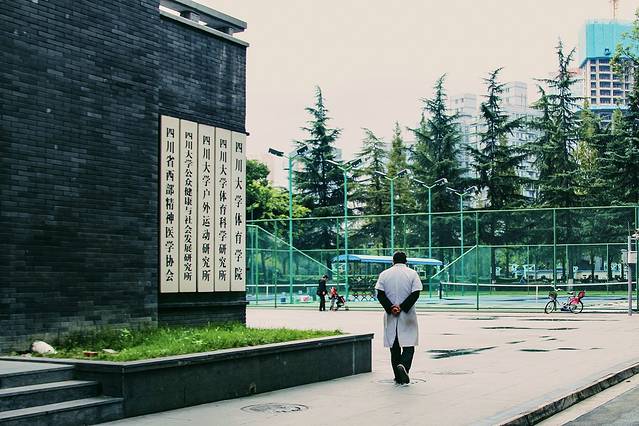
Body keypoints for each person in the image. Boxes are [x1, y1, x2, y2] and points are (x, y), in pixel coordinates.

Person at [375, 251, 422, 385]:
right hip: (407, 315)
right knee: (409, 344)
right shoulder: (412, 274)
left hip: (391, 315)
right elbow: (416, 293)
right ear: (406, 261)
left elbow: (380, 294)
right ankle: (404, 366)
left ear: (393, 261)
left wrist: (391, 307)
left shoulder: (384, 274)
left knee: (394, 346)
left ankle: (397, 375)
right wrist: (402, 307)